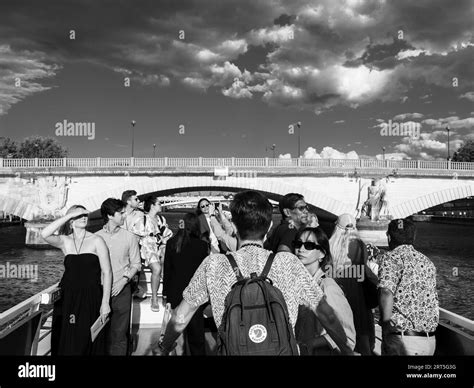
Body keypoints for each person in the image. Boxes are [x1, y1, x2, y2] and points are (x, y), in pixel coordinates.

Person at [153, 190, 352, 356]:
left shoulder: (215, 264)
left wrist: (164, 347)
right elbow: (326, 314)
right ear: (268, 228)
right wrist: (347, 350)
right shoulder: (287, 262)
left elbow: (180, 317)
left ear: (235, 226)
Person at [41, 205, 112, 355]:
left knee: (86, 338)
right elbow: (44, 233)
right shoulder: (64, 241)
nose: (84, 217)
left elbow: (107, 272)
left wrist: (105, 302)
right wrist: (68, 215)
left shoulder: (97, 240)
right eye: (79, 215)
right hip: (68, 297)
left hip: (91, 297)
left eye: (85, 214)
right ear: (71, 220)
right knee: (67, 338)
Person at [378, 218, 439, 355]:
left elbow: (386, 292)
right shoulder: (427, 262)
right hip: (429, 342)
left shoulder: (391, 257)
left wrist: (385, 326)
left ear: (388, 237)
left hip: (404, 341)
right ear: (414, 237)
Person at [294, 227, 356, 355]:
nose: (301, 249)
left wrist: (311, 343)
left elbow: (348, 337)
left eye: (309, 245)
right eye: (298, 244)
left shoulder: (327, 286)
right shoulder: (296, 283)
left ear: (322, 254)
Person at [95, 198, 141, 355]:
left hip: (122, 290)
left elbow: (136, 264)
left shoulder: (130, 237)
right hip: (99, 290)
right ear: (109, 215)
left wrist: (124, 281)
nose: (124, 216)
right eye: (121, 213)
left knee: (119, 334)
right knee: (100, 332)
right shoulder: (95, 238)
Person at [329, 213, 377, 355]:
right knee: (361, 329)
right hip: (358, 292)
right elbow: (365, 268)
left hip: (337, 289)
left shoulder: (331, 244)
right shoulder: (360, 244)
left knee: (340, 327)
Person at [162, 213, 209, 355]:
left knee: (174, 332)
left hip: (175, 294)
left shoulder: (171, 243)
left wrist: (167, 296)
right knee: (196, 336)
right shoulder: (202, 245)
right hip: (194, 295)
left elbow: (167, 271)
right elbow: (204, 273)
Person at [140, 195, 173, 312]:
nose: (161, 205)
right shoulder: (142, 219)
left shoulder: (161, 219)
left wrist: (164, 243)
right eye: (159, 203)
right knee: (157, 269)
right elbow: (136, 235)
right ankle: (154, 298)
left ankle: (165, 293)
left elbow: (167, 233)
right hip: (146, 246)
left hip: (158, 245)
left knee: (168, 259)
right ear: (152, 205)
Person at [121, 190, 147, 300]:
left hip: (135, 247)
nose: (139, 201)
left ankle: (134, 288)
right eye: (136, 199)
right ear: (128, 201)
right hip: (121, 247)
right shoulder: (119, 214)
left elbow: (140, 233)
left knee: (135, 264)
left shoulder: (140, 214)